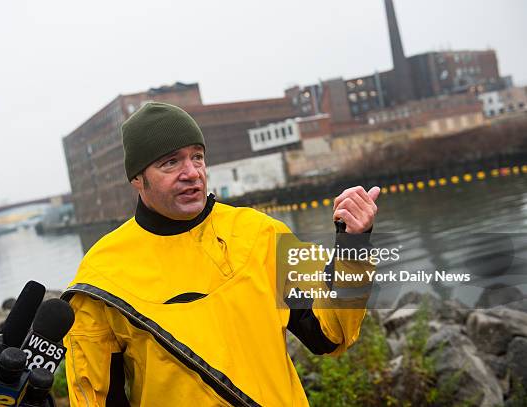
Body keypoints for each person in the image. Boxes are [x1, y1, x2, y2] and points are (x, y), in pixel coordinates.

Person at [62, 102, 379, 406]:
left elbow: (330, 334)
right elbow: (94, 397)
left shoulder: (260, 234)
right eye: (170, 162)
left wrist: (353, 244)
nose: (191, 172)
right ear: (136, 178)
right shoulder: (102, 274)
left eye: (197, 157)